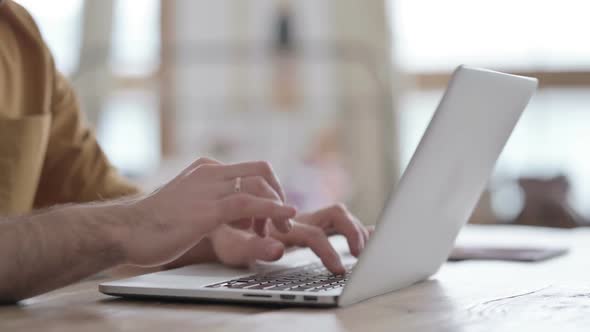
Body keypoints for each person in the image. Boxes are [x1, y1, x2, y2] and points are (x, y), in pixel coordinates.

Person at [0, 0, 369, 303]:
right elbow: (124, 223)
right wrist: (132, 223)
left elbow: (106, 204)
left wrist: (218, 232)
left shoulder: (19, 38)